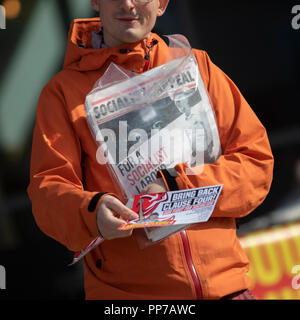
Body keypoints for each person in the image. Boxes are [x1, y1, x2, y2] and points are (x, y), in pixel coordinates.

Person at [27, 0, 274, 300]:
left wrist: (178, 186)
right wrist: (92, 212)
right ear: (95, 2)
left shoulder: (198, 67)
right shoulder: (62, 94)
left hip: (229, 289)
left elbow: (255, 162)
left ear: (162, 4)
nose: (129, 4)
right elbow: (47, 192)